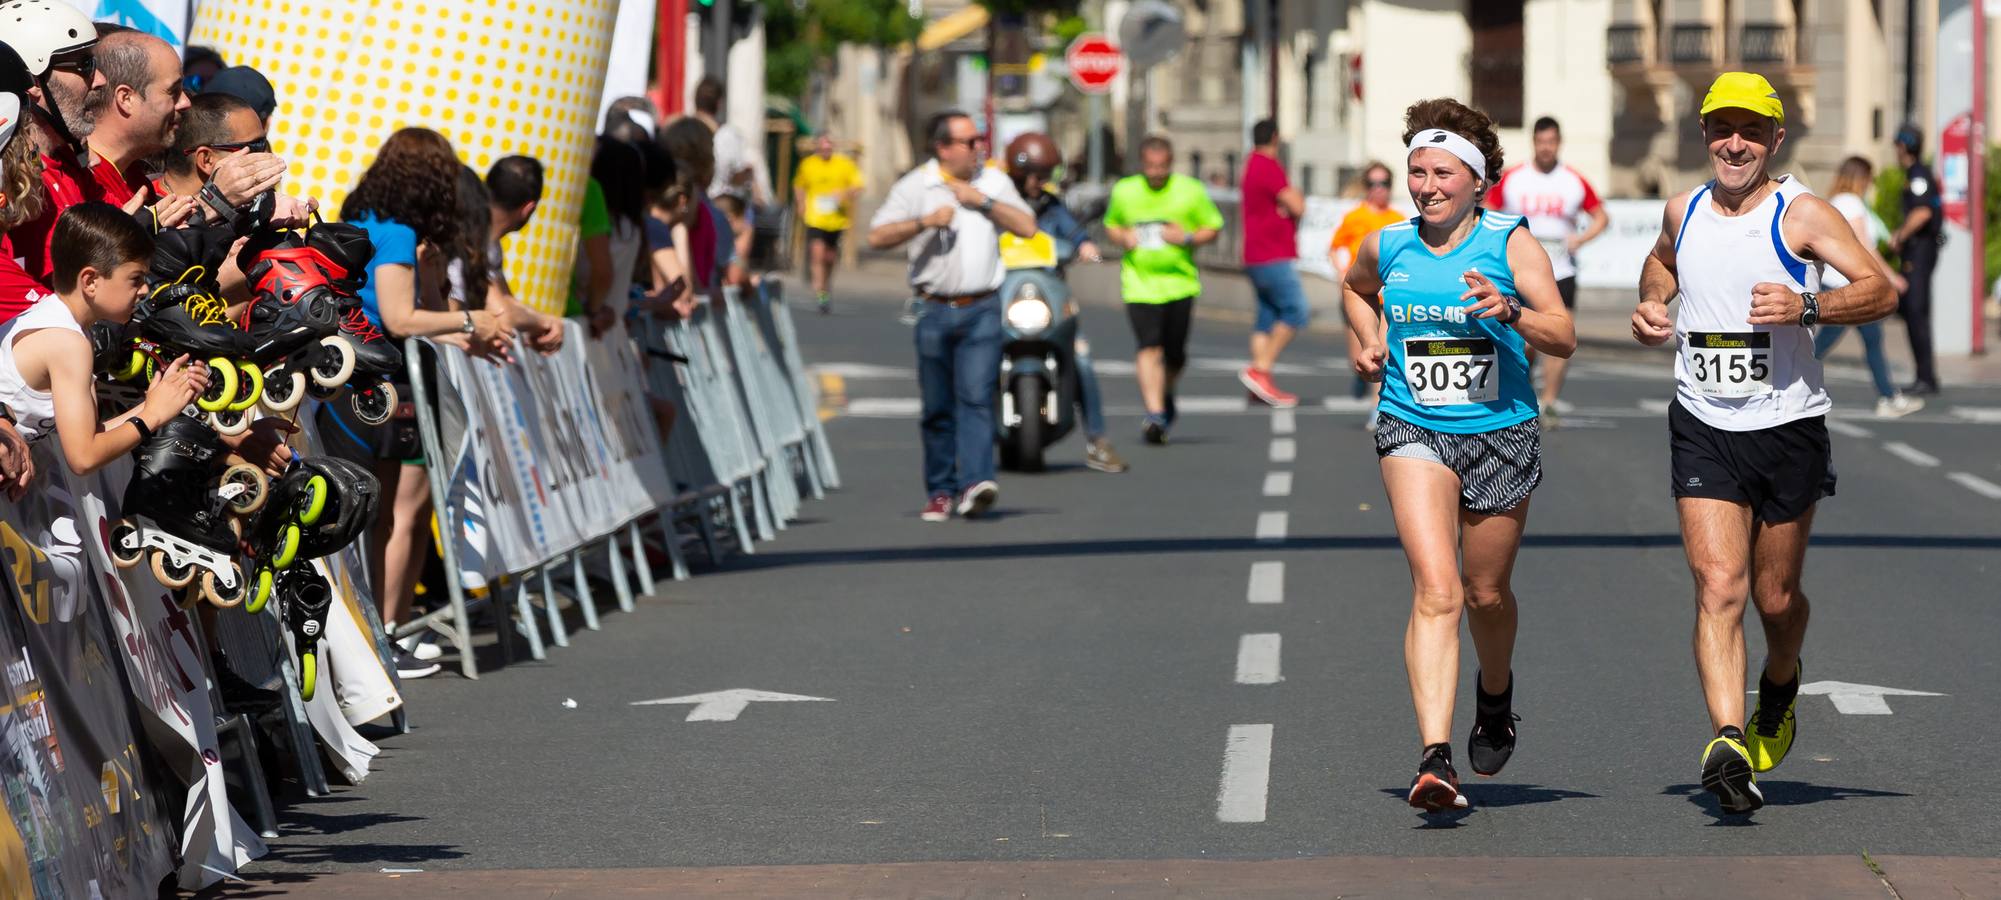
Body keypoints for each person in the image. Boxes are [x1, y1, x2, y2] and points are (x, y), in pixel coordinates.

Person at [1630, 73, 1895, 815]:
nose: (1733, 143)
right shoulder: (1681, 208)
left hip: (1786, 429)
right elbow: (1661, 260)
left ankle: (1778, 682)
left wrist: (1806, 303)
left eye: (1749, 130)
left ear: (1774, 138)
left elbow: (1880, 290)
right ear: (1705, 135)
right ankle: (1725, 740)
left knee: (1775, 599)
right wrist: (1652, 302)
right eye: (1720, 129)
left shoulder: (1802, 213)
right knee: (1719, 586)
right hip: (1702, 422)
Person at [1343, 98, 1575, 812]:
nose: (1425, 185)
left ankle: (1495, 694)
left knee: (1485, 594)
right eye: (1416, 171)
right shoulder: (1387, 245)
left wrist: (1510, 312)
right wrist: (1366, 341)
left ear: (1476, 181)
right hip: (1412, 423)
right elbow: (1354, 290)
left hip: (1500, 432)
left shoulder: (1510, 244)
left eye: (1442, 172)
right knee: (1436, 590)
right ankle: (1433, 758)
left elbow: (1562, 336)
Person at [329, 127, 512, 678]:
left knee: (380, 515)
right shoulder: (401, 233)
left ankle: (383, 631)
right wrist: (469, 320)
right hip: (390, 381)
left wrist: (462, 334)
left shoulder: (362, 214)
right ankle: (389, 632)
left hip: (356, 380)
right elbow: (400, 317)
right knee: (402, 512)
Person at [867, 110, 1036, 521]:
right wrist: (925, 221)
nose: (979, 148)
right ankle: (941, 489)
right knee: (938, 405)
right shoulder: (916, 185)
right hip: (934, 307)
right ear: (943, 148)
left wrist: (985, 203)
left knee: (976, 396)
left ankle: (976, 482)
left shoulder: (992, 182)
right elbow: (876, 236)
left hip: (982, 306)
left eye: (979, 141)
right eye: (970, 142)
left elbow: (1027, 226)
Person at [0, 202, 205, 476]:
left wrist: (158, 402)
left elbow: (93, 436)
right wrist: (152, 415)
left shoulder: (63, 323)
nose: (144, 289)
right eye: (135, 278)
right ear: (90, 281)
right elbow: (84, 457)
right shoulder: (68, 344)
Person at [1002, 131, 1127, 474]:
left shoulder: (1053, 207)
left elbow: (1076, 234)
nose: (1038, 182)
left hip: (1048, 297)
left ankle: (1097, 440)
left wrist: (1087, 248)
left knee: (1082, 358)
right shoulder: (998, 205)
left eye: (1044, 175)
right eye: (1032, 175)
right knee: (973, 354)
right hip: (1002, 297)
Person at [1485, 116, 1608, 426]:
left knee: (1559, 334)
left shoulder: (1573, 180)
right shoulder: (1514, 178)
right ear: (1534, 143)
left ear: (1558, 143)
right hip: (1520, 269)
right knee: (1524, 337)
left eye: (1551, 142)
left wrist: (1581, 238)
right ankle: (1521, 392)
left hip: (1561, 268)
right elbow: (1487, 209)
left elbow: (1601, 217)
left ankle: (1550, 400)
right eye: (1541, 142)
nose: (1546, 148)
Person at [1102, 135, 1223, 445]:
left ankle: (1166, 391)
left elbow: (1213, 226)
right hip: (1139, 284)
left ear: (1170, 164)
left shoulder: (1190, 191)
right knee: (1148, 348)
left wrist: (1187, 238)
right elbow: (1112, 224)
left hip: (1180, 283)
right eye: (1150, 167)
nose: (1156, 173)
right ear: (1142, 164)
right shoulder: (1125, 191)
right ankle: (1154, 414)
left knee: (1175, 356)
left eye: (1162, 167)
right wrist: (1123, 238)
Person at [1812, 156, 1922, 418]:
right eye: (1869, 177)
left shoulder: (1840, 202)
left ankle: (1888, 396)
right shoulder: (1850, 203)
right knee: (1833, 342)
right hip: (1850, 285)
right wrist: (1890, 277)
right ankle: (1887, 398)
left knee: (1865, 339)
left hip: (1841, 283)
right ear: (1860, 177)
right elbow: (1865, 247)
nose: (1871, 182)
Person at [1332, 162, 1407, 432]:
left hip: (1386, 298)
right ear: (1366, 188)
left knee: (1379, 353)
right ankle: (1361, 381)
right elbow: (1336, 246)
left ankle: (1378, 410)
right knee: (1360, 356)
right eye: (1373, 184)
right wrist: (1342, 272)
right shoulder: (1355, 217)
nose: (1379, 190)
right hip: (1359, 294)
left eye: (1384, 183)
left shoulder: (1397, 219)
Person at [1237, 118, 1307, 409]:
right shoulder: (1268, 165)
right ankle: (1260, 369)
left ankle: (1258, 384)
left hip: (1255, 254)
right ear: (1276, 138)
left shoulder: (1250, 164)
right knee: (1296, 310)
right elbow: (1297, 205)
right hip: (1272, 253)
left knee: (1266, 316)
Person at [482, 155, 565, 353]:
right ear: (529, 209)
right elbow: (504, 313)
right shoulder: (478, 238)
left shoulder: (490, 244)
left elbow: (506, 299)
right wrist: (543, 322)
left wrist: (541, 323)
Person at [1890, 125, 1941, 396]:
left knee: (1916, 312)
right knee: (1913, 312)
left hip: (1919, 251)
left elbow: (1921, 212)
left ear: (1904, 146)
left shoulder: (1918, 174)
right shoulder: (1915, 174)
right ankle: (1925, 375)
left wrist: (1900, 235)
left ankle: (1926, 377)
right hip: (1918, 250)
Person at [793, 135, 863, 314]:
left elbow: (858, 185)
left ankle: (825, 284)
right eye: (822, 148)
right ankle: (821, 294)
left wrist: (844, 193)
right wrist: (801, 203)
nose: (825, 151)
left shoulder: (843, 164)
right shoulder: (808, 164)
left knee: (830, 258)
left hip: (836, 218)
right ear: (817, 149)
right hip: (815, 217)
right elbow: (799, 185)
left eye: (828, 148)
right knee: (817, 253)